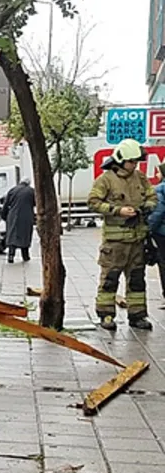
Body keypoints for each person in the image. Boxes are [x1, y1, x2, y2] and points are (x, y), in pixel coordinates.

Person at [88, 138, 158, 331]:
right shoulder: (106, 180)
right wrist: (117, 210)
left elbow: (152, 196)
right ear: (121, 159)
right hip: (115, 243)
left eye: (136, 162)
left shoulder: (140, 178)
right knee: (110, 280)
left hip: (137, 240)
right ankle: (106, 315)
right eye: (131, 161)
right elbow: (93, 202)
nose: (134, 165)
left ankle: (137, 316)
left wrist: (147, 207)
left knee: (137, 280)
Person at [2, 177, 36, 263]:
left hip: (13, 215)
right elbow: (36, 203)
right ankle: (25, 256)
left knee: (12, 235)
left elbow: (6, 204)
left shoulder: (12, 190)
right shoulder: (32, 191)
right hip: (27, 217)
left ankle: (11, 256)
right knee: (25, 236)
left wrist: (4, 216)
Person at [148, 178, 165, 305]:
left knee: (163, 263)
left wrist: (148, 229)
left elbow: (158, 213)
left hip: (162, 233)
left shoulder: (160, 189)